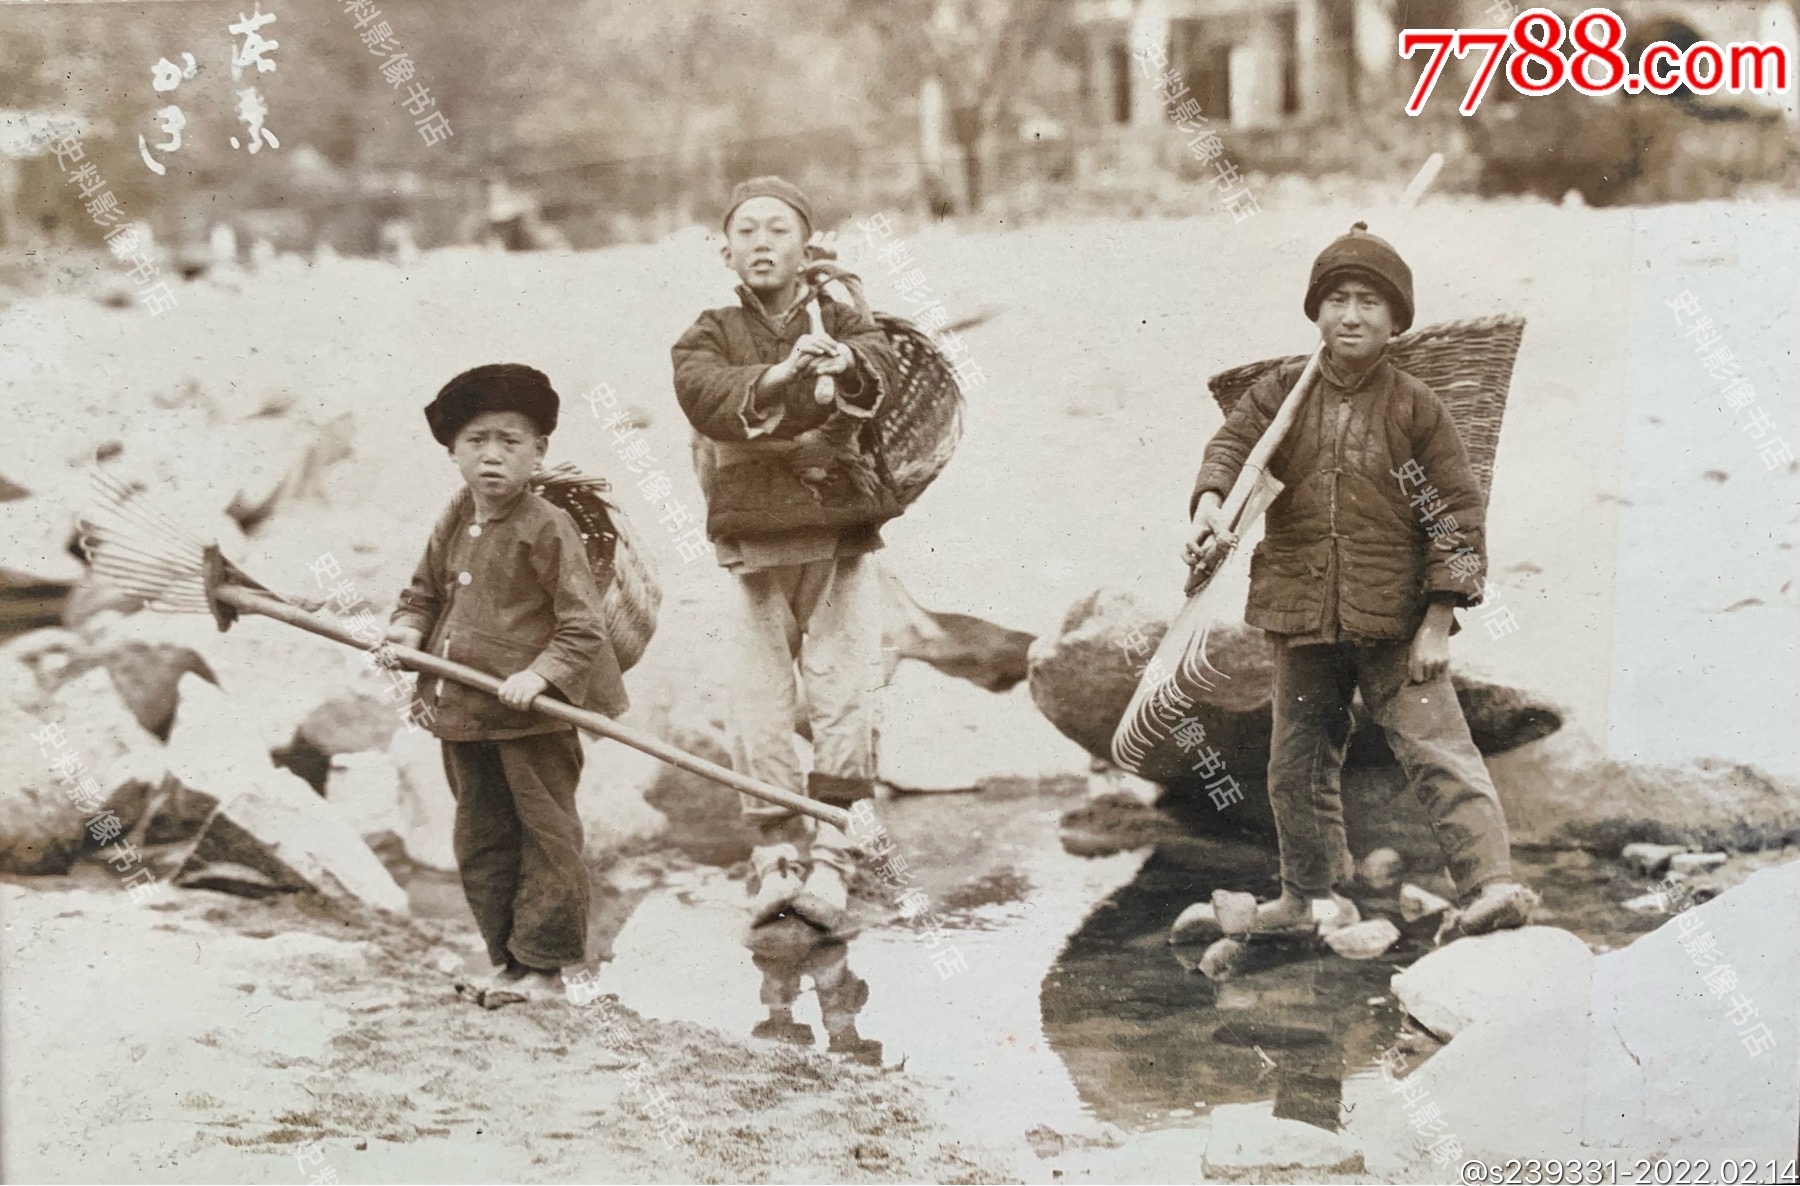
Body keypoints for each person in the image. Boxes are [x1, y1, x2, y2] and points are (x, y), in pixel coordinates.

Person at [1185, 222, 1537, 937]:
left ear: (1395, 321)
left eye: (1370, 303)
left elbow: (1456, 516)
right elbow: (1231, 447)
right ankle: (1308, 900)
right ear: (1316, 312)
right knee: (1296, 766)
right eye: (1337, 300)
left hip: (1396, 620)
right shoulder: (1280, 393)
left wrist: (1437, 620)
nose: (1351, 316)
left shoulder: (1416, 406)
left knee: (1437, 750)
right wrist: (1209, 505)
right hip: (1299, 611)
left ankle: (1492, 887)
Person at [670, 176, 901, 938]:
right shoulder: (709, 331)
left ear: (806, 246)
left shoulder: (844, 318)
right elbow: (702, 393)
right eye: (746, 231)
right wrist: (785, 375)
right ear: (726, 251)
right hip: (754, 535)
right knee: (758, 698)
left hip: (838, 531)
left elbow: (882, 367)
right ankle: (773, 852)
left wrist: (842, 361)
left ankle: (834, 852)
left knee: (845, 690)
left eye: (777, 230)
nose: (762, 243)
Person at [387, 363, 628, 1005]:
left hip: (532, 717)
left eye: (510, 441)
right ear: (453, 451)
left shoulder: (547, 525)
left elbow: (583, 627)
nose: (491, 455)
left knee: (547, 839)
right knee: (481, 838)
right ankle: (506, 964)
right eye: (476, 441)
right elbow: (422, 594)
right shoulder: (455, 514)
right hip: (463, 709)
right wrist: (406, 635)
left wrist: (538, 675)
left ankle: (544, 971)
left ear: (538, 452)